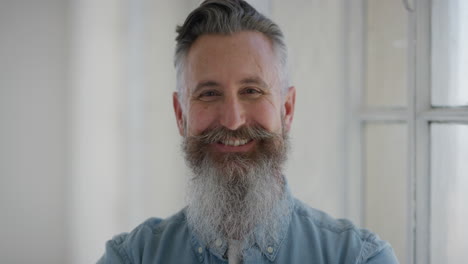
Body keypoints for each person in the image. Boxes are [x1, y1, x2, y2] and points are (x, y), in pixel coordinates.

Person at [98, 0, 399, 263]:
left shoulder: (357, 258)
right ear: (180, 115)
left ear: (287, 110)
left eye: (252, 91)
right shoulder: (131, 258)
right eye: (209, 94)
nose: (232, 120)